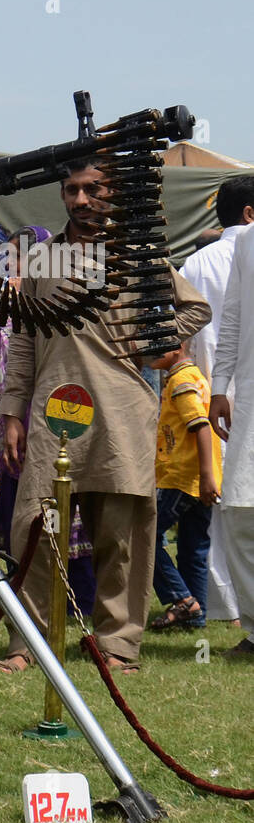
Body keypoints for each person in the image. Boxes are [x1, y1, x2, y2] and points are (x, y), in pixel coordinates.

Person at [0, 160, 210, 673]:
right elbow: (23, 340)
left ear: (112, 193)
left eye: (93, 189)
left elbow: (195, 308)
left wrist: (153, 342)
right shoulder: (42, 260)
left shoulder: (138, 255)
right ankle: (28, 645)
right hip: (52, 408)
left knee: (123, 532)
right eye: (72, 190)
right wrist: (11, 412)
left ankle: (117, 645)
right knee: (33, 527)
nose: (81, 199)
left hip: (122, 408)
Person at [179, 175, 254, 625]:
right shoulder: (242, 250)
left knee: (220, 513)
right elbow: (227, 326)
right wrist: (220, 387)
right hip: (229, 399)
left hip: (213, 396)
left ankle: (227, 608)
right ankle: (241, 619)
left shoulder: (198, 263)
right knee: (234, 508)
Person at [148, 340, 220, 629]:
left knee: (143, 534)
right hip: (198, 478)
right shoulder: (191, 377)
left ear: (177, 347)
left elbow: (201, 425)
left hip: (183, 479)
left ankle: (182, 600)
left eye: (156, 344)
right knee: (193, 547)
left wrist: (206, 477)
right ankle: (196, 616)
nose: (148, 349)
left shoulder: (181, 379)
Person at [211, 228, 254, 656]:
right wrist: (219, 384)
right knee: (241, 511)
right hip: (251, 395)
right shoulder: (247, 241)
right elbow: (233, 315)